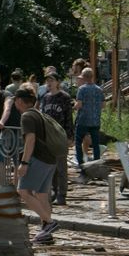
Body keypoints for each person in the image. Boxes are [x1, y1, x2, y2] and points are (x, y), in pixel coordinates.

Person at [14, 85, 61, 244]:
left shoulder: (27, 116)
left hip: (38, 159)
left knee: (23, 191)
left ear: (19, 101)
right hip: (50, 159)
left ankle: (49, 222)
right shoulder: (38, 114)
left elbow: (30, 139)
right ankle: (46, 234)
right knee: (41, 195)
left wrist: (24, 163)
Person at [39, 73, 73, 205]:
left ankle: (62, 193)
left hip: (60, 135)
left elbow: (69, 117)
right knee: (50, 166)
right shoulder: (45, 98)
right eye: (47, 80)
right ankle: (53, 190)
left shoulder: (64, 97)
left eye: (51, 80)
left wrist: (70, 136)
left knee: (61, 167)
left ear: (57, 82)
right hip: (48, 136)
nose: (49, 83)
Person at [73, 68, 103, 168]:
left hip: (83, 120)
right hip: (95, 121)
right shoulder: (99, 89)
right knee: (95, 144)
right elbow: (103, 105)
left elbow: (79, 105)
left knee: (78, 142)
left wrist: (73, 106)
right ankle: (97, 163)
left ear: (84, 77)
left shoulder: (82, 89)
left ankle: (81, 163)